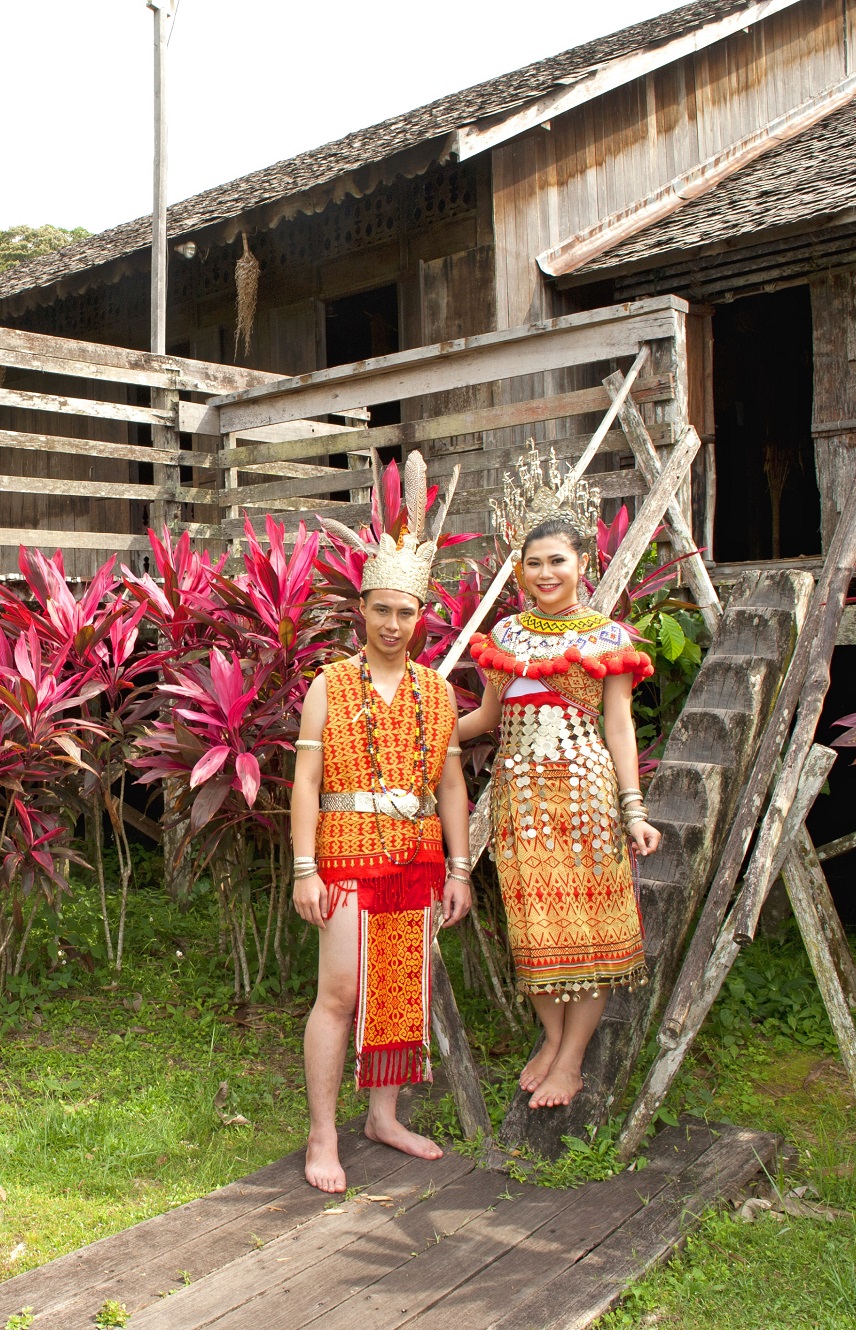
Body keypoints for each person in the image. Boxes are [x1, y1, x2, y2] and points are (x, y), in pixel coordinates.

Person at [456, 445, 661, 1112]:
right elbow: (486, 718)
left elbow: (621, 727)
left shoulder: (608, 638)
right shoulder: (505, 635)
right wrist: (417, 728)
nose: (547, 573)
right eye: (535, 562)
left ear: (584, 565)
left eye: (559, 561)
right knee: (532, 924)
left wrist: (634, 810)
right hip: (520, 801)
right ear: (521, 570)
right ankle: (551, 1036)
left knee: (587, 925)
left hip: (586, 797)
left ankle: (570, 1061)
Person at [290, 453, 473, 1194]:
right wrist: (304, 869)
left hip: (419, 859)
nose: (393, 623)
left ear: (419, 617)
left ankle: (384, 1116)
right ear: (360, 609)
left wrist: (461, 869)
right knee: (339, 993)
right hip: (345, 856)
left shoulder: (437, 691)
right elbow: (305, 781)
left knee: (404, 987)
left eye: (406, 612)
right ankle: (324, 1132)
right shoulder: (328, 685)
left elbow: (452, 785)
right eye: (381, 609)